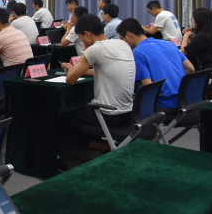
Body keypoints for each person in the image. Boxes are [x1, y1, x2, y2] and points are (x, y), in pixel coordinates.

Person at [60, 15, 135, 154]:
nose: (82, 42)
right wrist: (75, 69)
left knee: (63, 126)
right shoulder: (122, 44)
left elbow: (70, 80)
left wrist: (84, 52)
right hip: (128, 112)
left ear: (87, 34)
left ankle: (108, 147)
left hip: (108, 114)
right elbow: (101, 71)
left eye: (81, 38)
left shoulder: (95, 49)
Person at [117, 18, 194, 115]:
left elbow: (149, 88)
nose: (123, 42)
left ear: (129, 34)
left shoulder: (138, 53)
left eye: (122, 39)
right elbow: (191, 69)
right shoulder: (169, 44)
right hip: (186, 101)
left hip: (164, 106)